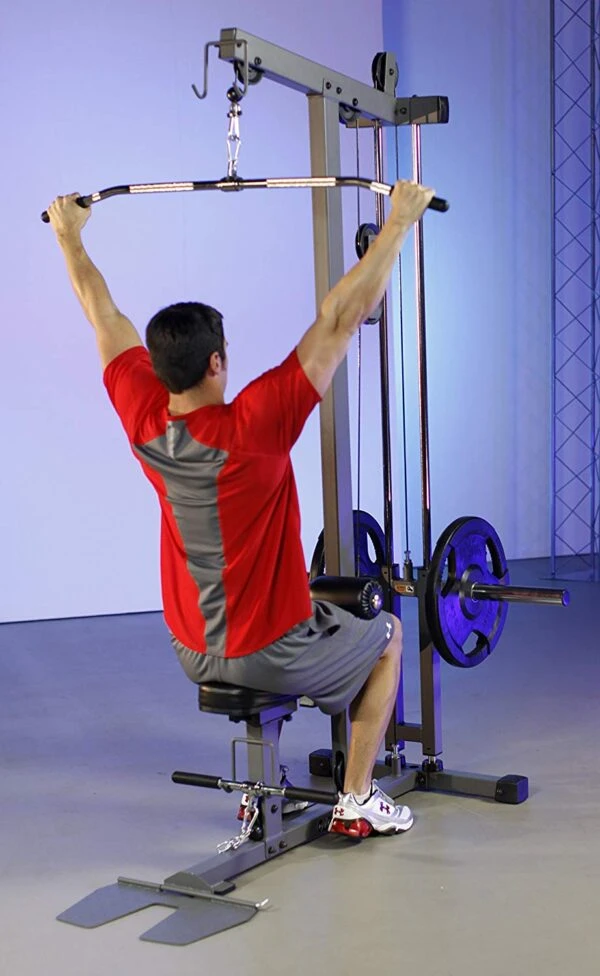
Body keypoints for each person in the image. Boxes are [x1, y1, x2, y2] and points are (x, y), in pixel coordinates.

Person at [46, 180, 434, 838]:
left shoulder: (143, 417)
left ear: (159, 368)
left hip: (192, 647)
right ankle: (357, 798)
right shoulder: (256, 424)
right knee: (389, 638)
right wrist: (398, 223)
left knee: (309, 610)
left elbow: (102, 315)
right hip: (270, 650)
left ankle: (264, 789)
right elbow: (340, 319)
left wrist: (68, 236)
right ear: (218, 361)